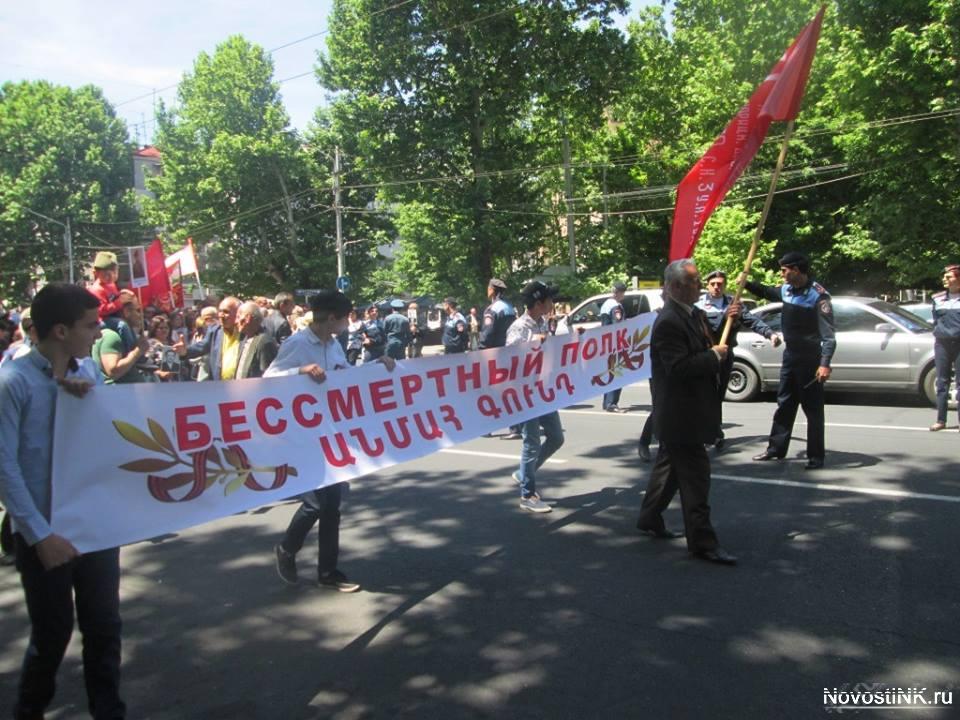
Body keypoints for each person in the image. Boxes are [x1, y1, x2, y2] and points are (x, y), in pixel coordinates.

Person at [0, 283, 128, 718]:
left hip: (92, 526)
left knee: (105, 627)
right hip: (44, 534)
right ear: (59, 330)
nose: (100, 332)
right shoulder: (12, 383)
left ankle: (108, 710)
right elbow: (6, 468)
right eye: (91, 325)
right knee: (51, 637)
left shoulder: (88, 372)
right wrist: (39, 535)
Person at [267, 290, 395, 592]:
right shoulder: (298, 343)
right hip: (304, 435)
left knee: (332, 506)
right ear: (333, 318)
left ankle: (328, 572)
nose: (348, 325)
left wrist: (379, 367)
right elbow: (269, 378)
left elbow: (347, 377)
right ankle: (286, 549)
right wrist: (300, 371)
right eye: (345, 318)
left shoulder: (333, 345)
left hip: (332, 434)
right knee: (314, 504)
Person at [634, 259, 737, 565]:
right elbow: (678, 368)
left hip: (688, 411)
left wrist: (732, 323)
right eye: (693, 282)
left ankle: (649, 517)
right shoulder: (668, 322)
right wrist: (711, 357)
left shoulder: (691, 314)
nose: (700, 286)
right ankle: (703, 542)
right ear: (676, 287)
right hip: (680, 416)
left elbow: (715, 341)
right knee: (696, 479)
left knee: (667, 473)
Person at [746, 251, 836, 469]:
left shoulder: (819, 296)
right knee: (784, 403)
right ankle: (775, 449)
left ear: (796, 270)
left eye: (785, 270)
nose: (782, 274)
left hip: (810, 359)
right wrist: (746, 282)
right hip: (790, 357)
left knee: (812, 409)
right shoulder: (787, 289)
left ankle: (815, 457)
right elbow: (767, 291)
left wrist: (824, 363)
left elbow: (829, 336)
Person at [696, 270, 780, 448]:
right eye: (713, 284)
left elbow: (753, 321)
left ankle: (715, 430)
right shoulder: (698, 305)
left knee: (718, 394)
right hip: (705, 355)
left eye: (720, 284)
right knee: (704, 393)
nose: (717, 287)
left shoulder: (733, 304)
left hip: (725, 355)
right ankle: (704, 430)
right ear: (707, 285)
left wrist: (770, 334)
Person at [506, 281, 564, 513]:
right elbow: (509, 358)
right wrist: (533, 345)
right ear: (539, 303)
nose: (553, 304)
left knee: (557, 437)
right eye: (550, 300)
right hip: (526, 393)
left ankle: (523, 473)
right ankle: (527, 494)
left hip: (544, 391)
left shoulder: (543, 323)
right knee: (531, 443)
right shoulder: (519, 327)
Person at [480, 279, 521, 439]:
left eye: (488, 288)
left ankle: (488, 426)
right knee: (508, 390)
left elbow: (487, 334)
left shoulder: (492, 309)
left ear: (492, 290)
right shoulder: (509, 307)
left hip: (493, 355)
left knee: (489, 391)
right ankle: (515, 427)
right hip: (507, 353)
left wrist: (480, 352)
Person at [92, 293, 153, 385]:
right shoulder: (111, 336)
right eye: (138, 310)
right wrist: (137, 352)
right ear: (126, 311)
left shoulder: (123, 335)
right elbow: (113, 371)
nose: (141, 315)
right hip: (118, 395)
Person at [181, 296, 243, 382]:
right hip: (220, 386)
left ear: (238, 314)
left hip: (243, 385)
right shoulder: (215, 331)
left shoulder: (246, 332)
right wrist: (185, 351)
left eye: (226, 312)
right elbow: (201, 347)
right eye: (220, 311)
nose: (221, 315)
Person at [929, 264, 960, 431]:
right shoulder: (937, 298)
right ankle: (941, 420)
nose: (945, 280)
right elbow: (935, 320)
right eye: (945, 277)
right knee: (942, 382)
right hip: (942, 344)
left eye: (949, 277)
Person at [87, 251, 137, 350]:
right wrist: (119, 302)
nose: (111, 277)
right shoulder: (97, 289)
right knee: (122, 325)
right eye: (107, 274)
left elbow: (116, 297)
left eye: (114, 273)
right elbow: (101, 310)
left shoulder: (111, 284)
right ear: (96, 273)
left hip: (113, 317)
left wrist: (125, 294)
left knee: (129, 323)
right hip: (101, 320)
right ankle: (130, 352)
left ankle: (136, 348)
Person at [600, 281, 629, 413]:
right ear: (620, 292)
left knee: (610, 371)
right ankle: (612, 403)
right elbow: (617, 325)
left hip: (606, 343)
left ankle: (607, 402)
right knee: (617, 372)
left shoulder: (606, 304)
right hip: (615, 343)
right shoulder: (615, 306)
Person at [235, 301, 278, 380]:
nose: (235, 321)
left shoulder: (264, 342)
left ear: (248, 318)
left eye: (238, 317)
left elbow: (267, 377)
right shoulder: (244, 339)